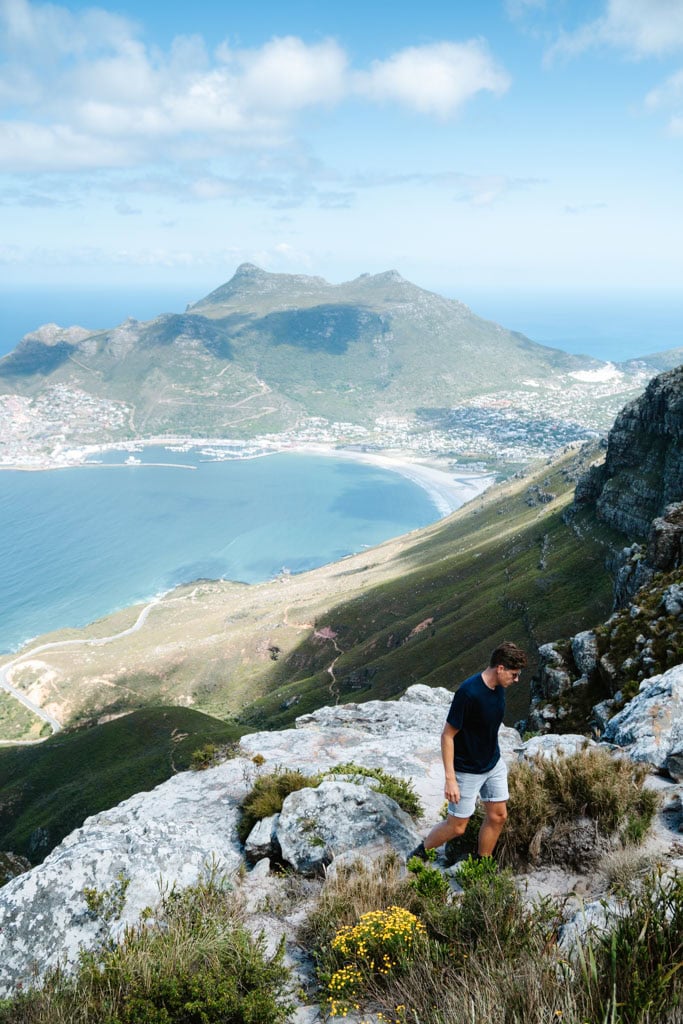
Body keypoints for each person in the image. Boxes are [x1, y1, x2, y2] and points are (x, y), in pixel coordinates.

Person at [409, 641, 528, 862]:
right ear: (500, 668)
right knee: (457, 827)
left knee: (498, 816)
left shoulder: (499, 688)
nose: (517, 680)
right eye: (514, 674)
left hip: (492, 764)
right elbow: (447, 735)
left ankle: (482, 864)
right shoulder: (468, 693)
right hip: (467, 770)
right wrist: (450, 779)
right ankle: (420, 852)